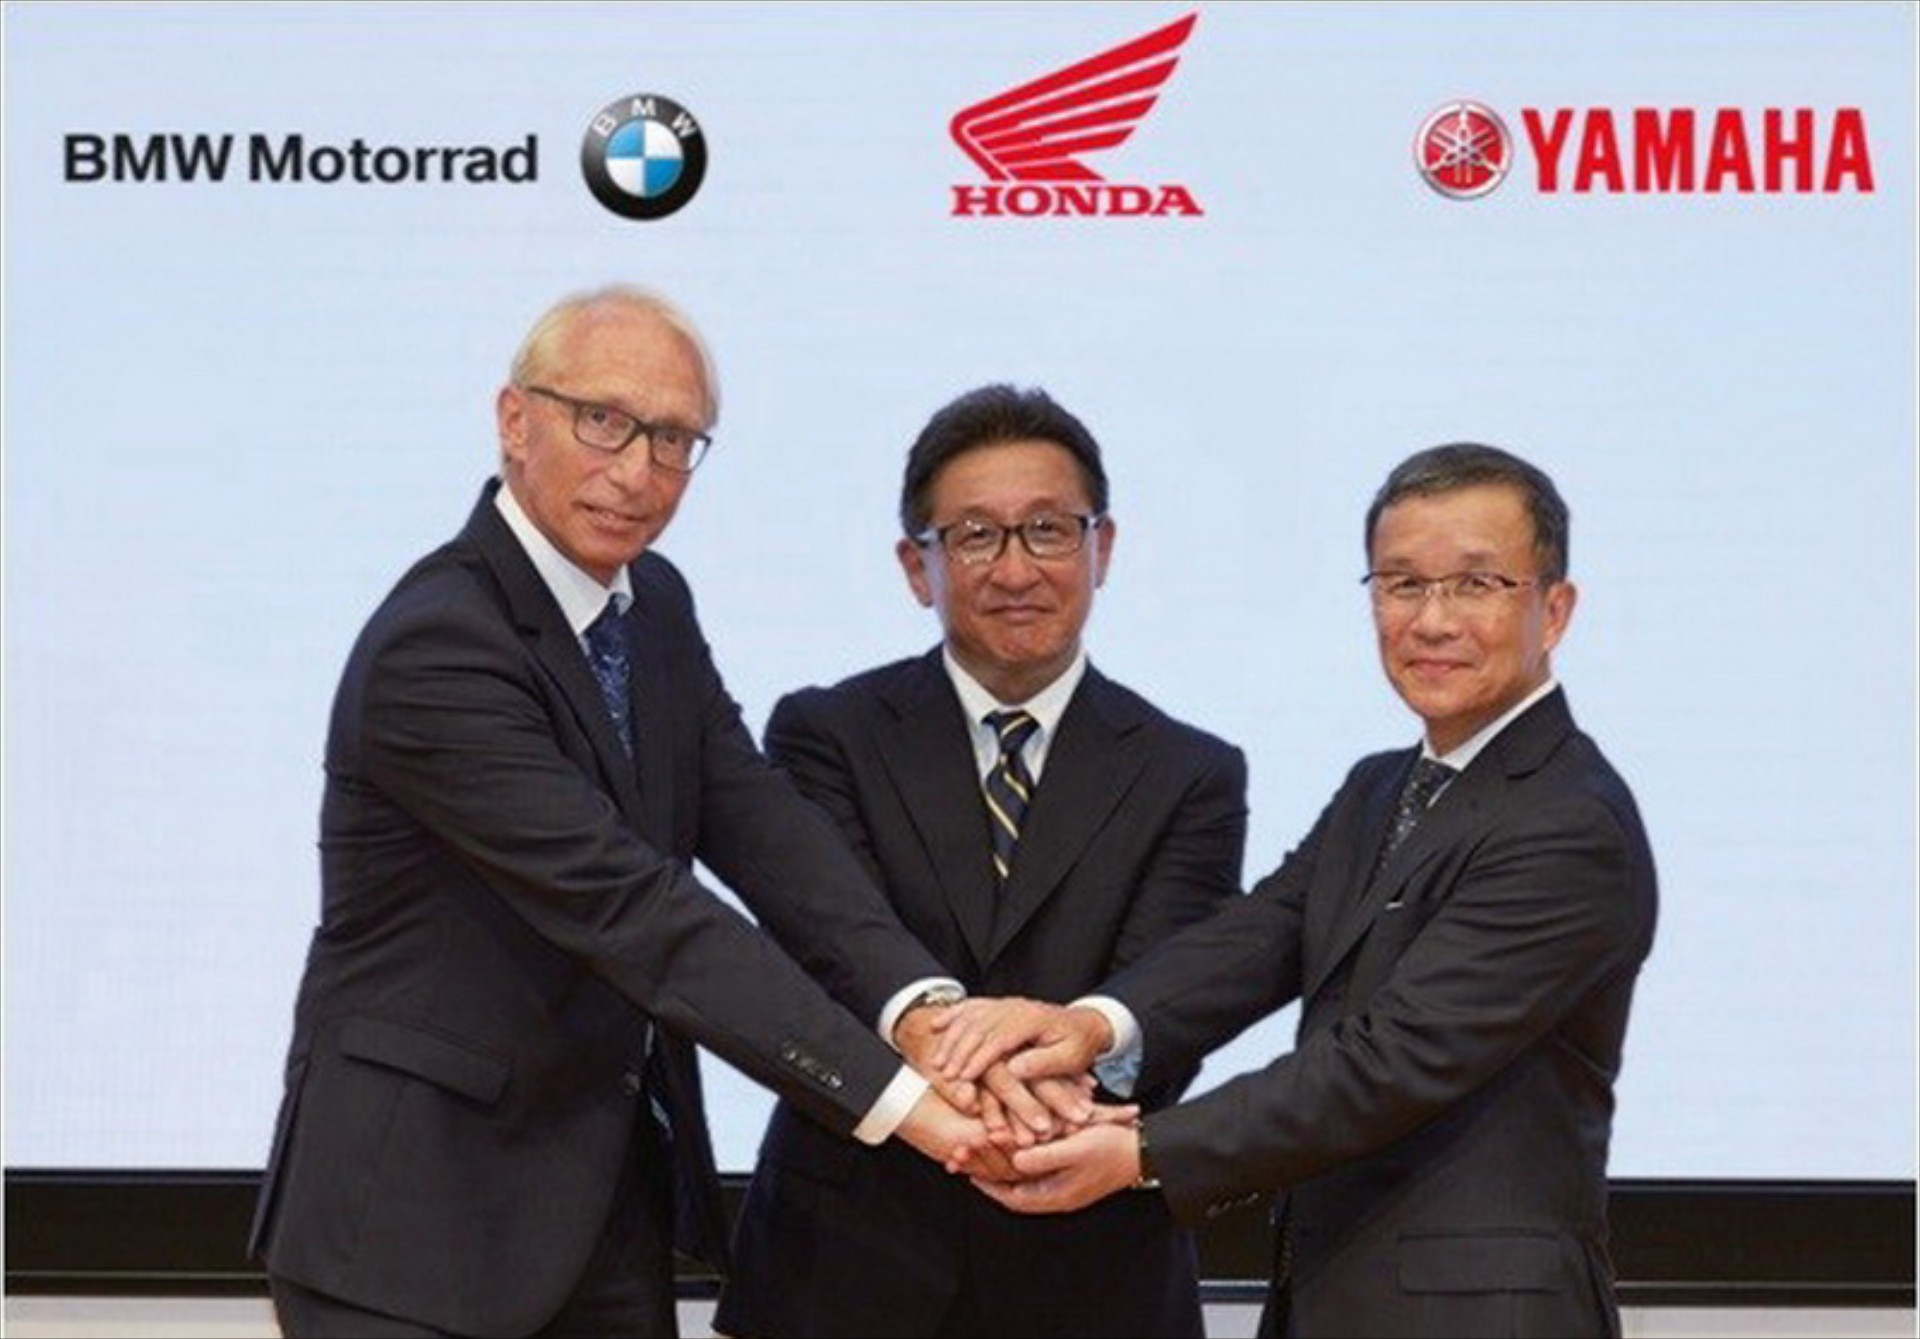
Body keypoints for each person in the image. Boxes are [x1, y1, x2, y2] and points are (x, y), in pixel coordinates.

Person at [249, 285, 1015, 1339]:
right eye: (602, 420)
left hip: (600, 1207)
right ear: (515, 419)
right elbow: (634, 908)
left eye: (673, 439)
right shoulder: (439, 644)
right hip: (412, 1227)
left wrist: (922, 1011)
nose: (638, 471)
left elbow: (762, 825)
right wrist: (900, 1101)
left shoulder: (653, 604)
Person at [947, 443, 1659, 1338]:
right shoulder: (1380, 787)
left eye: (1476, 584)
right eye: (1401, 584)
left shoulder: (1568, 821)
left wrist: (1144, 1151)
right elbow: (1259, 936)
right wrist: (1088, 1026)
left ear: (1554, 609)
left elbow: (1389, 1060)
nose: (1432, 620)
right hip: (1334, 1292)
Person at [713, 385, 1249, 1338]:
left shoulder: (1191, 773)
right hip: (843, 1263)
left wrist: (1025, 1112)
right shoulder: (825, 734)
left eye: (1048, 529)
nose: (1015, 568)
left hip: (1092, 1269)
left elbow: (1166, 1007)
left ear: (1101, 547)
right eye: (974, 536)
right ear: (917, 567)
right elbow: (830, 961)